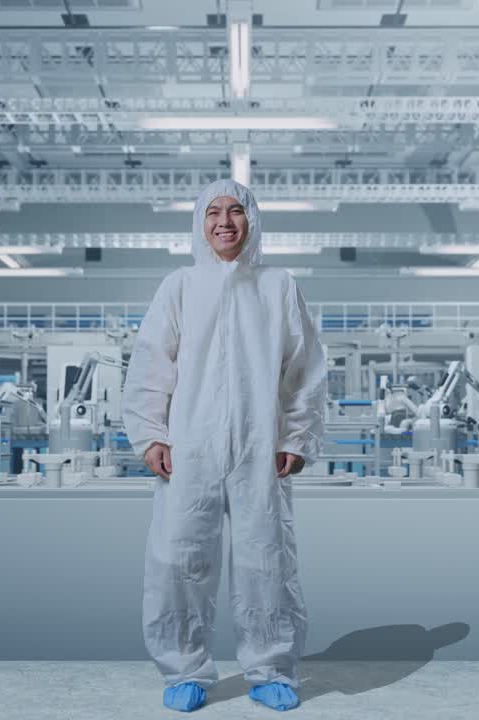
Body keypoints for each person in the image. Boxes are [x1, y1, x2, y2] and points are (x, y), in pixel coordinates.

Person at [122, 179, 327, 713]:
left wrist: (297, 437)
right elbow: (150, 366)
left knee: (266, 558)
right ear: (199, 222)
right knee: (179, 557)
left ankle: (271, 668)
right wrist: (150, 435)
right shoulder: (180, 286)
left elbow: (303, 370)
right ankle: (183, 669)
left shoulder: (279, 285)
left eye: (236, 211)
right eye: (214, 212)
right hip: (188, 446)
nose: (225, 222)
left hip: (261, 445)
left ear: (252, 221)